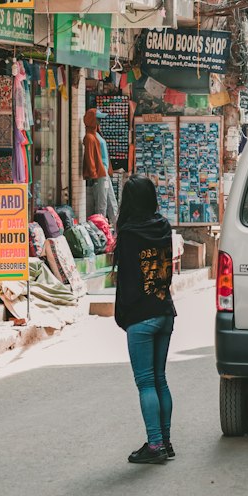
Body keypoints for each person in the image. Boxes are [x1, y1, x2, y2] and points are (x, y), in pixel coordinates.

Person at [113, 174, 176, 466]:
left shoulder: (128, 233)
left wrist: (124, 315)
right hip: (164, 310)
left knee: (146, 383)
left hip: (141, 316)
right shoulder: (163, 226)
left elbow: (126, 282)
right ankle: (165, 440)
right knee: (160, 380)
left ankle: (155, 446)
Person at [83, 108, 118, 226]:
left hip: (104, 173)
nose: (100, 121)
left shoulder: (96, 134)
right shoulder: (89, 137)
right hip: (99, 174)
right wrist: (93, 174)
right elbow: (90, 157)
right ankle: (101, 228)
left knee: (111, 201)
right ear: (92, 120)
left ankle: (117, 226)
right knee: (102, 203)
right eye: (98, 118)